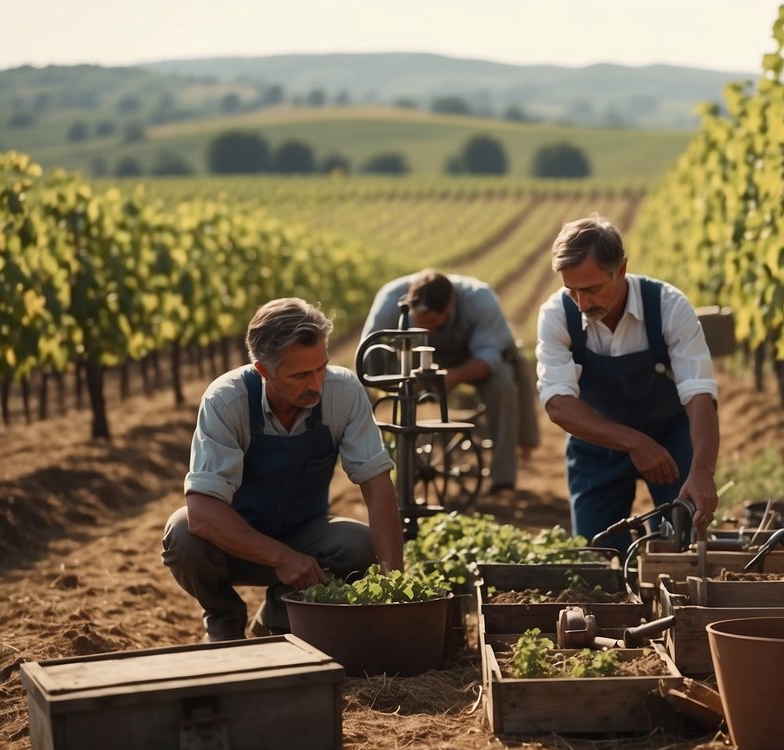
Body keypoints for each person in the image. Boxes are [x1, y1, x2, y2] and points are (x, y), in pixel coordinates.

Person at [163, 297, 404, 642]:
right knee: (183, 533)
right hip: (236, 543)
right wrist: (280, 556)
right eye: (301, 375)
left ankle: (278, 616)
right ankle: (223, 619)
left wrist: (393, 582)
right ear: (263, 371)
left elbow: (377, 484)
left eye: (321, 367)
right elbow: (202, 513)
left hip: (304, 534)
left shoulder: (344, 392)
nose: (317, 384)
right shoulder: (226, 401)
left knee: (357, 545)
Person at [535, 213, 720, 553]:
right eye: (571, 291)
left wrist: (703, 470)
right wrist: (634, 442)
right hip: (597, 441)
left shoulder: (669, 306)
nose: (582, 303)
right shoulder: (556, 315)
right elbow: (558, 404)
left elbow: (699, 393)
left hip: (670, 435)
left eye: (591, 289)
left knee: (682, 543)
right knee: (599, 551)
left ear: (620, 269)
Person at [359, 269, 539, 493]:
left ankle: (503, 479)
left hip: (471, 358)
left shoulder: (480, 300)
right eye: (420, 323)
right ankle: (404, 468)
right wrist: (386, 385)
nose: (427, 329)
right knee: (396, 396)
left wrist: (453, 377)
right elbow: (368, 350)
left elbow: (490, 357)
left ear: (451, 305)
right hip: (415, 362)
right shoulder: (391, 297)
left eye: (433, 322)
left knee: (503, 382)